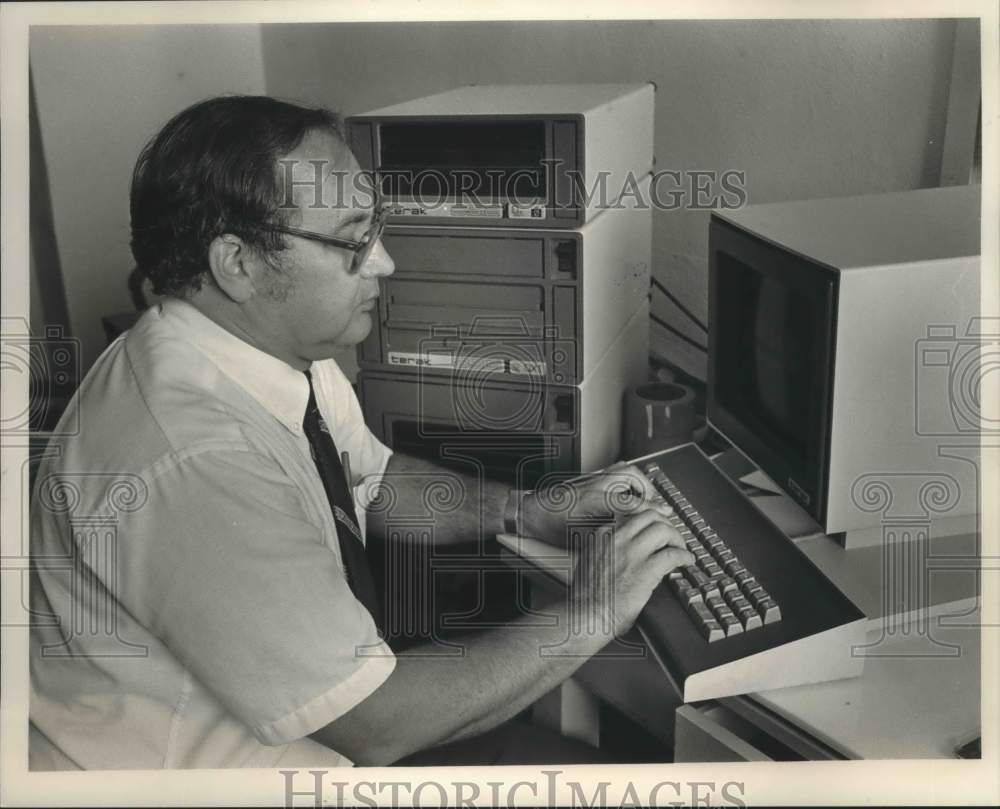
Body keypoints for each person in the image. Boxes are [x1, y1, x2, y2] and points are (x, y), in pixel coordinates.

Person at [28, 95, 692, 770]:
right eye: (352, 240)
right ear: (238, 263)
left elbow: (372, 481)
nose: (385, 263)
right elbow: (377, 725)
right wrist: (594, 611)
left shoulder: (260, 354)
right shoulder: (195, 458)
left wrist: (528, 509)